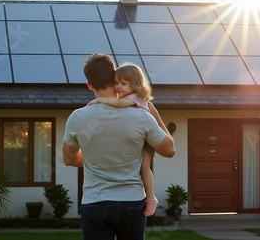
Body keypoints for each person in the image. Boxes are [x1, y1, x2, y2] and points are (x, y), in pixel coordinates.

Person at [62, 53, 175, 240]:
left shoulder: (77, 117)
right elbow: (169, 150)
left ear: (90, 84)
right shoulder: (142, 116)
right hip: (132, 203)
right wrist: (153, 111)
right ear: (115, 78)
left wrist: (96, 157)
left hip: (95, 202)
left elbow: (68, 159)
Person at [87, 62, 158, 217]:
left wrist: (99, 100)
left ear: (135, 85)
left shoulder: (135, 98)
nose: (118, 87)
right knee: (140, 167)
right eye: (116, 83)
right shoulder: (130, 97)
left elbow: (118, 103)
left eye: (123, 84)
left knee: (144, 167)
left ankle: (151, 197)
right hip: (138, 137)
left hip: (146, 140)